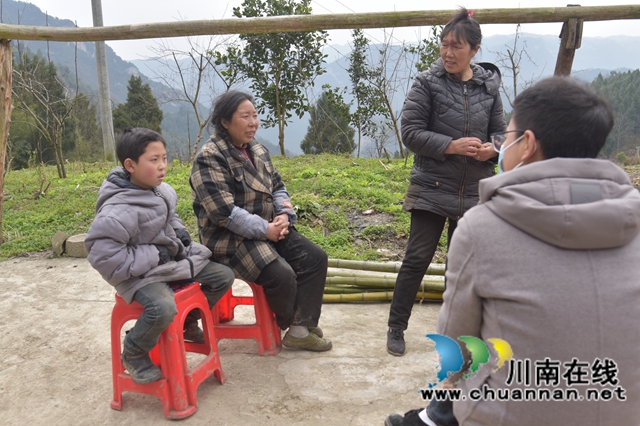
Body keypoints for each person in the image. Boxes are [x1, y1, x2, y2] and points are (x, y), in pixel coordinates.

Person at [385, 77, 640, 426]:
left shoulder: (482, 227)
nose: (502, 142)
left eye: (507, 136)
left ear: (528, 144)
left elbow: (458, 351)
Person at [387, 8, 506, 356]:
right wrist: (451, 146)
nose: (448, 52)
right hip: (432, 186)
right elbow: (410, 132)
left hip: (474, 190)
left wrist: (493, 150)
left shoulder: (489, 87)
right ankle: (397, 326)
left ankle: (458, 334)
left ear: (475, 50)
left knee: (462, 268)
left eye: (457, 46)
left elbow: (501, 132)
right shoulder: (427, 83)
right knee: (417, 259)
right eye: (444, 44)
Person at [85, 127, 235, 385]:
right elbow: (106, 258)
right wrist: (156, 253)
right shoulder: (116, 212)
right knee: (162, 308)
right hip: (138, 275)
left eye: (164, 158)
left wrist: (179, 231)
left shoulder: (161, 190)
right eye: (154, 160)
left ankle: (187, 323)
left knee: (223, 276)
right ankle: (133, 351)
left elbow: (169, 215)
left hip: (168, 260)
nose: (162, 166)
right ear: (130, 165)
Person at [189, 90, 332, 352]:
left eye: (255, 115)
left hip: (269, 227)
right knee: (282, 275)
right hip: (229, 237)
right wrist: (265, 229)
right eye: (245, 117)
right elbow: (224, 212)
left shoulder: (256, 149)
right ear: (225, 122)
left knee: (315, 258)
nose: (253, 122)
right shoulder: (209, 157)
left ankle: (300, 328)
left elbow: (277, 185)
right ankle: (296, 323)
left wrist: (283, 215)